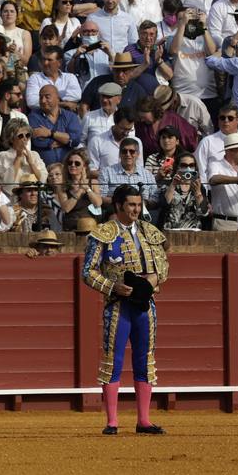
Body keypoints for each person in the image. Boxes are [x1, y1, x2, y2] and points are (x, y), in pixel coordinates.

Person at [82, 184, 169, 435]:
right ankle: (112, 421)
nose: (136, 209)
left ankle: (144, 420)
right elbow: (87, 271)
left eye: (139, 205)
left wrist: (150, 283)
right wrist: (112, 287)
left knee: (145, 361)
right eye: (131, 205)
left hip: (144, 305)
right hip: (118, 306)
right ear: (118, 205)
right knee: (113, 361)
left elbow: (163, 267)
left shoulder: (149, 232)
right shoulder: (103, 233)